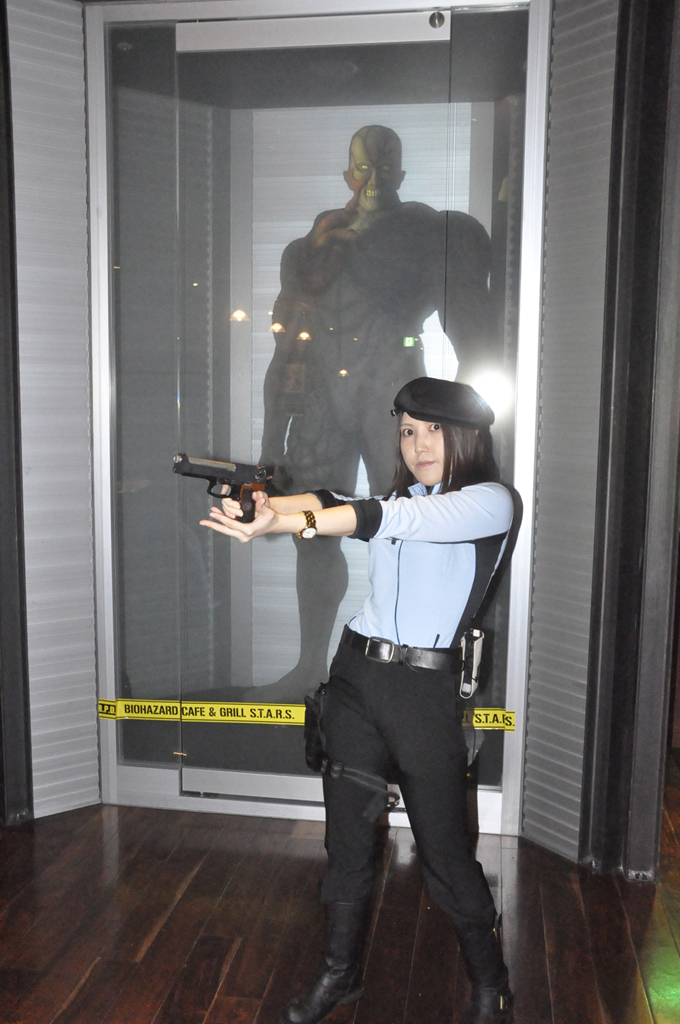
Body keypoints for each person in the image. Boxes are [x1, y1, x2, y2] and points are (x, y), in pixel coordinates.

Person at [201, 377, 515, 1024]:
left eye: (434, 431)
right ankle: (338, 974)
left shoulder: (490, 503)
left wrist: (288, 522)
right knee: (345, 843)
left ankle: (491, 985)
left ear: (468, 437)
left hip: (423, 695)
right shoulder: (400, 498)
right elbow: (337, 500)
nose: (418, 445)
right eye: (408, 431)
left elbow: (384, 519)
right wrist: (264, 507)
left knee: (445, 855)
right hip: (355, 684)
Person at [256, 124, 500, 701]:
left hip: (392, 393)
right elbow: (286, 350)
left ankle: (407, 674)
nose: (373, 178)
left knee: (407, 528)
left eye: (384, 166)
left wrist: (461, 426)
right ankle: (310, 668)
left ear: (401, 173)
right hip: (321, 397)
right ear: (348, 175)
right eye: (363, 167)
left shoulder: (426, 234)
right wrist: (269, 445)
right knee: (314, 534)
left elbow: (477, 340)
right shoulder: (313, 249)